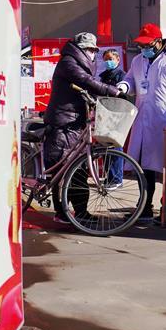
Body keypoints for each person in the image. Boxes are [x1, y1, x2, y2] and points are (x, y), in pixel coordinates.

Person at [117, 23, 166, 225]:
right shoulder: (138, 60)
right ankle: (143, 208)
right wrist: (123, 86)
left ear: (159, 41)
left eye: (148, 44)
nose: (144, 48)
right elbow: (130, 80)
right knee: (144, 167)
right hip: (144, 120)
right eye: (141, 45)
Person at [43, 32, 121, 223]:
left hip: (75, 122)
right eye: (89, 50)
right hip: (63, 123)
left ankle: (80, 212)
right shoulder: (68, 63)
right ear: (80, 49)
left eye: (94, 50)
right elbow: (85, 81)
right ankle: (62, 212)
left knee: (77, 169)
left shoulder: (79, 63)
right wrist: (112, 91)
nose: (92, 54)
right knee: (62, 169)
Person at [99, 49, 126, 188]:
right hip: (105, 114)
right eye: (105, 59)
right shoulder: (104, 76)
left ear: (117, 59)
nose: (108, 62)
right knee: (106, 147)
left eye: (110, 59)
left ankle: (116, 179)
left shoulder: (122, 76)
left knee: (115, 146)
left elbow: (123, 96)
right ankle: (109, 177)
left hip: (117, 115)